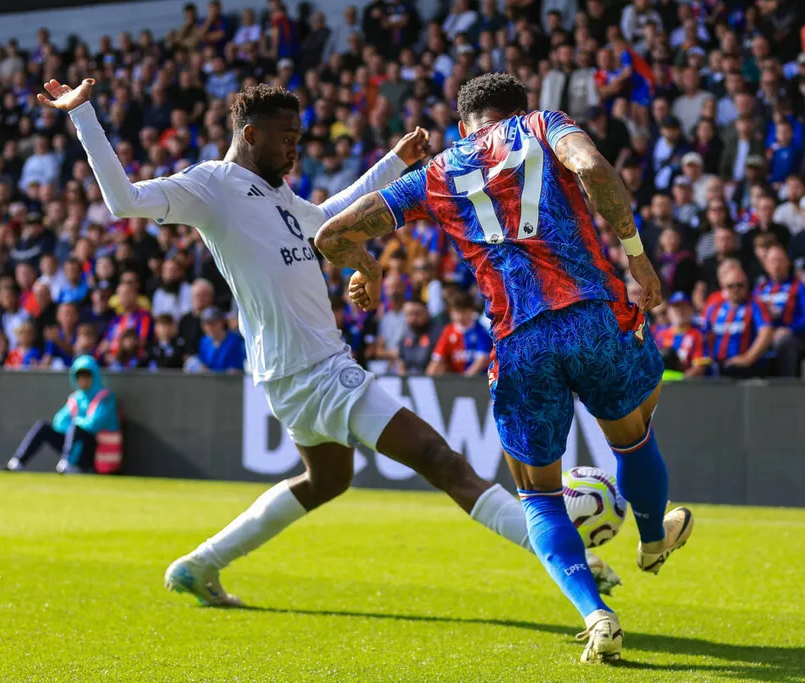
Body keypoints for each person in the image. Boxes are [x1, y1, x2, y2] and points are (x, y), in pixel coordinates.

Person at [40, 79, 560, 611]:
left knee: (327, 480)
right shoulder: (212, 185)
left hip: (293, 372)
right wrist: (83, 115)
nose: (295, 149)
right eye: (286, 138)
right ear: (250, 135)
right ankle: (567, 558)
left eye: (298, 138)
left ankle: (200, 565)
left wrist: (393, 163)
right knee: (438, 458)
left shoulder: (279, 196)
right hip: (315, 369)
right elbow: (123, 200)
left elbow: (330, 216)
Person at [316, 73, 693, 664]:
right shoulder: (544, 126)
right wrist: (638, 256)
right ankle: (651, 538)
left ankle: (596, 615)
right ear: (520, 108)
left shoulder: (436, 172)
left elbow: (331, 233)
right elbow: (593, 169)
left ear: (462, 124)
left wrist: (365, 267)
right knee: (632, 433)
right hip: (592, 316)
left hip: (519, 340)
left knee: (538, 495)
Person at [5, 356, 120, 473]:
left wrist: (76, 424)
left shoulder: (105, 397)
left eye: (87, 376)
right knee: (43, 427)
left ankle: (67, 464)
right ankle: (17, 463)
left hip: (95, 452)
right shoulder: (76, 398)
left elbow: (94, 424)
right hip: (75, 446)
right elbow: (59, 421)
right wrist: (74, 430)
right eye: (80, 377)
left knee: (76, 427)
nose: (83, 380)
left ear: (94, 376)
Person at [754, 245, 805, 377]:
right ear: (766, 265)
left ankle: (787, 384)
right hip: (763, 335)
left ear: (788, 263)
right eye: (772, 261)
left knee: (785, 343)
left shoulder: (800, 287)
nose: (776, 265)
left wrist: (791, 329)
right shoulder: (759, 289)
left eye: (780, 260)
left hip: (792, 335)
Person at [702, 260, 774, 378]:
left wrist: (748, 358)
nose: (735, 289)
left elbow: (766, 333)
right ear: (723, 287)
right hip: (717, 367)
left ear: (747, 285)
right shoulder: (714, 308)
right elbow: (703, 334)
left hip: (745, 368)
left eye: (740, 285)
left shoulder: (755, 305)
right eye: (731, 286)